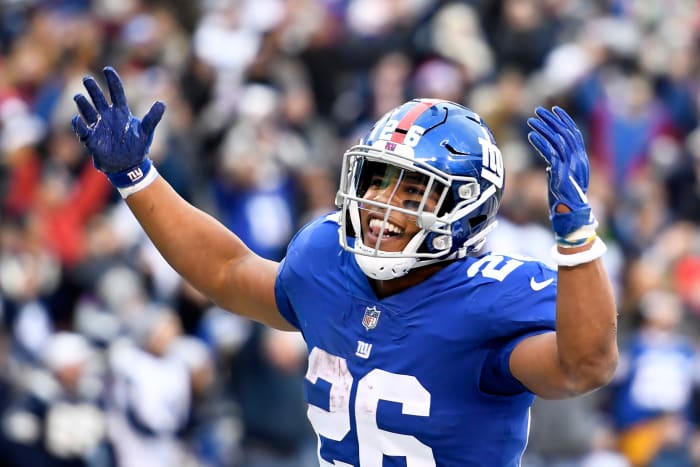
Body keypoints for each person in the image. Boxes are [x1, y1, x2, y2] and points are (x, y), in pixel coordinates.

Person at [70, 66, 618, 466]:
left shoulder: (493, 297)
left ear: (464, 208)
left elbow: (584, 367)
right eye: (377, 180)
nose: (381, 206)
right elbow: (227, 273)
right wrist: (138, 179)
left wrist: (574, 235)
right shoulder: (326, 257)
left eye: (412, 193)